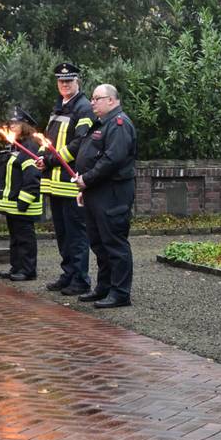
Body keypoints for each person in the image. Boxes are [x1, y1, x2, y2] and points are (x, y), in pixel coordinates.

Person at [74, 84, 138, 308]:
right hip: (95, 192)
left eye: (97, 98)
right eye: (91, 98)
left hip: (112, 193)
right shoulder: (102, 124)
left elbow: (113, 159)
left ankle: (120, 293)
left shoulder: (119, 124)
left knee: (114, 242)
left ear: (111, 100)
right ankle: (104, 287)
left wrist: (87, 179)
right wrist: (85, 187)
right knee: (99, 242)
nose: (92, 102)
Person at [42, 62, 94, 295]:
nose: (64, 84)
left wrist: (51, 159)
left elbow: (80, 142)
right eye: (61, 81)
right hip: (56, 181)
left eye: (69, 81)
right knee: (63, 232)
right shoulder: (59, 107)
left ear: (77, 82)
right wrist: (43, 158)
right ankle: (69, 274)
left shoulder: (83, 108)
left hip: (71, 181)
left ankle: (80, 279)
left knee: (76, 233)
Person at [0, 108, 43, 282]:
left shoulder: (30, 146)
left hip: (23, 203)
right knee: (15, 237)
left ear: (25, 126)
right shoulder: (14, 145)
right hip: (13, 203)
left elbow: (33, 177)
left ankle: (28, 270)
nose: (12, 126)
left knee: (25, 238)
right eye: (10, 123)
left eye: (16, 123)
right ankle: (16, 267)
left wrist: (23, 201)